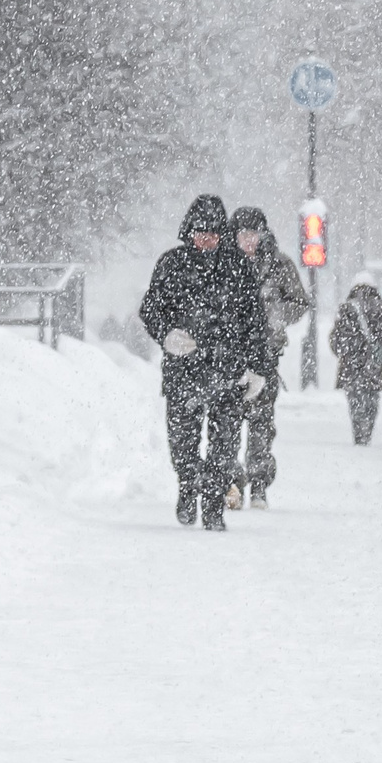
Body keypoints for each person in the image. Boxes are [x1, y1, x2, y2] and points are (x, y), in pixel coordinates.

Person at [138, 193, 267, 532]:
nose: (206, 239)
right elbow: (150, 308)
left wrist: (258, 368)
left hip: (229, 371)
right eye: (199, 232)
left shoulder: (239, 268)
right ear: (189, 231)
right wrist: (167, 334)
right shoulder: (172, 264)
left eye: (212, 232)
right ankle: (187, 484)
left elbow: (255, 323)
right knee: (182, 441)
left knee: (225, 444)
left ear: (222, 233)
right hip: (184, 371)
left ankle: (212, 502)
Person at [227, 205, 310, 509]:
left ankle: (259, 484)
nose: (248, 240)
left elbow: (301, 302)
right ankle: (232, 481)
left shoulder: (279, 264)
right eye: (242, 234)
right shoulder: (224, 264)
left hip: (266, 354)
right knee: (229, 422)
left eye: (253, 234)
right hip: (231, 357)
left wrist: (276, 316)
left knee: (261, 423)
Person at [329, 277, 382, 445]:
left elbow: (334, 339)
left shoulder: (346, 308)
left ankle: (359, 432)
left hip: (350, 364)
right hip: (372, 364)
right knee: (371, 400)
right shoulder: (380, 308)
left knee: (355, 400)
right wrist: (378, 348)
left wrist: (346, 350)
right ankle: (367, 431)